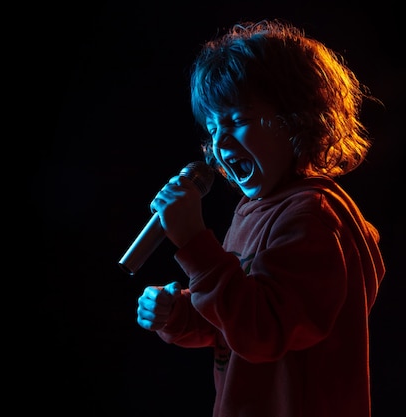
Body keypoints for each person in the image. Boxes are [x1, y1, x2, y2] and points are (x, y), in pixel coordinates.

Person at [136, 18, 385, 417]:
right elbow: (235, 320)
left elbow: (263, 331)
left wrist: (195, 245)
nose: (218, 142)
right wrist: (179, 313)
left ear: (298, 118)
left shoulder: (312, 216)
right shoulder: (253, 210)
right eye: (213, 127)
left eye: (236, 120)